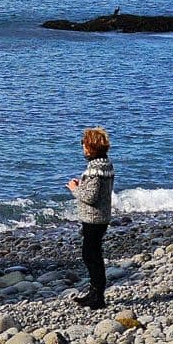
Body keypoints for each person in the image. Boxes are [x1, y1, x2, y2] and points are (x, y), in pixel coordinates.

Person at [66, 127, 115, 308]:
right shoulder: (106, 165)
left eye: (84, 145)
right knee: (93, 254)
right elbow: (98, 191)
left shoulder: (95, 169)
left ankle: (98, 296)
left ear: (91, 147)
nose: (83, 148)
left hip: (94, 218)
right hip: (101, 216)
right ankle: (94, 292)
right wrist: (83, 186)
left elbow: (90, 197)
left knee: (91, 255)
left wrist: (74, 188)